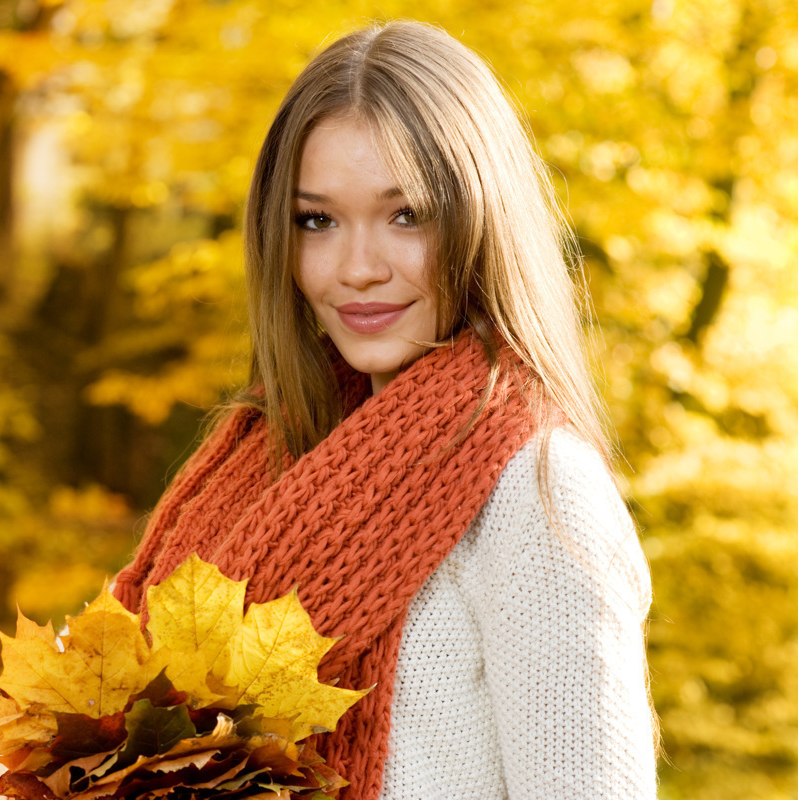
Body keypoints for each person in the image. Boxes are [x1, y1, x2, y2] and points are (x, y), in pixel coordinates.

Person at [110, 19, 658, 800]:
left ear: (478, 221)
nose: (357, 268)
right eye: (318, 221)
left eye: (407, 215)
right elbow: (92, 741)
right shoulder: (260, 462)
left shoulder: (537, 494)